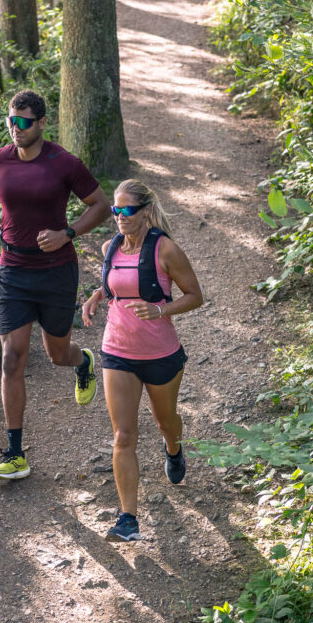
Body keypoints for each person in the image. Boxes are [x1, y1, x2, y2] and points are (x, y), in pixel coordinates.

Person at [0, 90, 111, 481]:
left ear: (40, 123)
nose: (14, 129)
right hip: (13, 271)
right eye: (10, 121)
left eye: (23, 122)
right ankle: (15, 453)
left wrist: (67, 232)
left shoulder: (63, 163)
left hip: (55, 272)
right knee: (12, 357)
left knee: (56, 354)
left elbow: (100, 205)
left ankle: (82, 362)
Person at [81, 179, 203, 541]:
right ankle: (128, 519)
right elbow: (112, 284)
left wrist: (160, 309)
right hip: (117, 351)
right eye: (116, 210)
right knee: (123, 435)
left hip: (160, 354)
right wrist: (95, 297)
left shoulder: (166, 250)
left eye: (127, 210)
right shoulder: (110, 247)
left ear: (145, 210)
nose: (119, 216)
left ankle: (174, 449)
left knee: (166, 423)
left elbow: (195, 296)